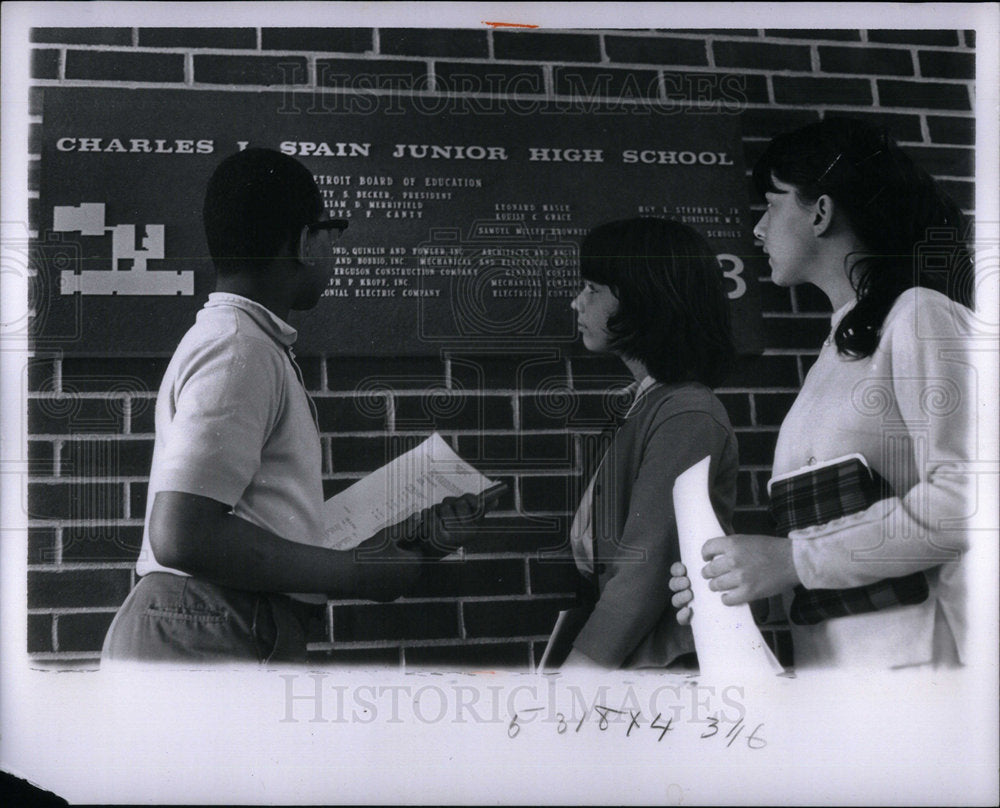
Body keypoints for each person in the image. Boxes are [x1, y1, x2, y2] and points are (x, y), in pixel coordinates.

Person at [102, 147, 489, 665]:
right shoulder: (239, 347)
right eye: (330, 230)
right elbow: (182, 534)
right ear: (306, 241)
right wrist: (355, 574)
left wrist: (401, 542)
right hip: (212, 626)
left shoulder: (245, 342)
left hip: (214, 623)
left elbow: (258, 526)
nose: (332, 247)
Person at [669, 117, 975, 669]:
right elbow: (823, 556)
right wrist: (738, 577)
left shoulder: (920, 314)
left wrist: (789, 560)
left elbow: (967, 503)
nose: (758, 230)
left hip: (923, 676)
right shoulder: (837, 348)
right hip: (840, 680)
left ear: (822, 211)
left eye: (771, 203)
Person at [548, 217, 739, 670]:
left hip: (664, 665)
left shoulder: (685, 413)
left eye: (592, 288)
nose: (577, 302)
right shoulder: (648, 404)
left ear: (642, 299)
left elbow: (642, 569)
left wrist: (583, 672)